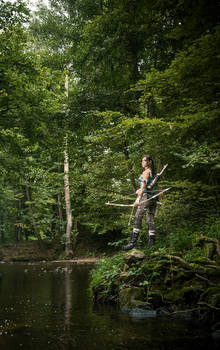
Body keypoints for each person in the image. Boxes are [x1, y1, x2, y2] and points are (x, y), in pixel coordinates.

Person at [123, 155, 157, 250]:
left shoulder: (146, 172)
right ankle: (152, 244)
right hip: (152, 198)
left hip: (146, 197)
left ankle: (133, 242)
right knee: (150, 219)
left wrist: (138, 199)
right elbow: (144, 187)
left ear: (150, 161)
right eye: (142, 161)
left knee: (138, 216)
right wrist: (139, 189)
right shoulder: (151, 171)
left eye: (145, 160)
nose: (142, 162)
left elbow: (143, 187)